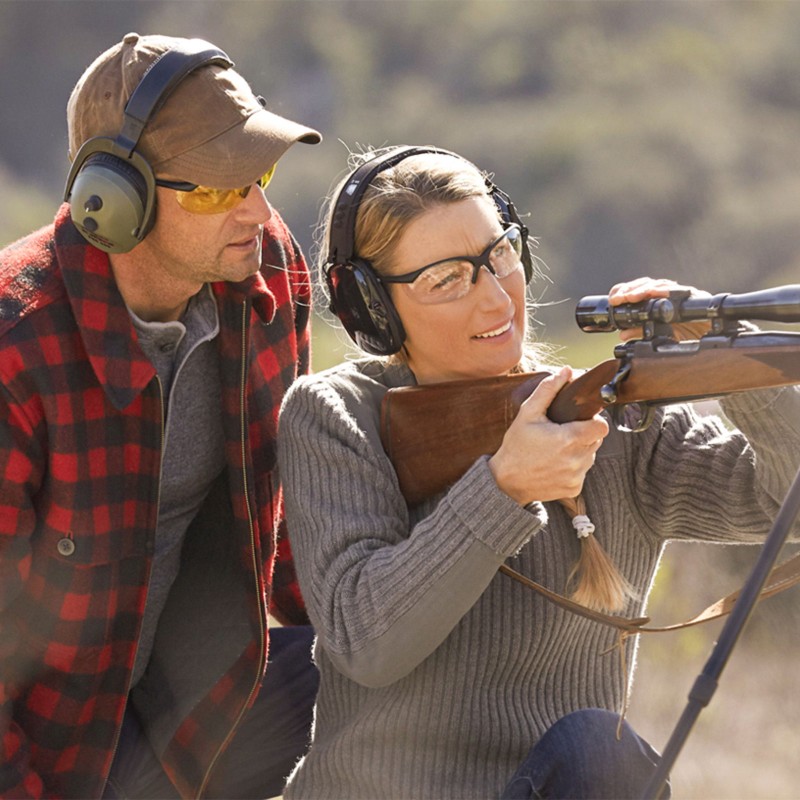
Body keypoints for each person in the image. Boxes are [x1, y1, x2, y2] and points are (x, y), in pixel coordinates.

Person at [276, 145, 800, 799]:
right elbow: (365, 642)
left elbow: (786, 502)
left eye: (499, 255)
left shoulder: (614, 421)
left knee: (598, 751)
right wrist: (503, 488)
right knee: (597, 750)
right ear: (374, 310)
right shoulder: (337, 416)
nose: (496, 297)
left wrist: (742, 362)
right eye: (447, 280)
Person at [0, 33, 323, 799]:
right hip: (57, 757)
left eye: (259, 175)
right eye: (217, 189)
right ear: (113, 202)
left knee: (375, 669)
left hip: (194, 717)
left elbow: (291, 530)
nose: (258, 210)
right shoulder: (16, 351)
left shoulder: (266, 267)